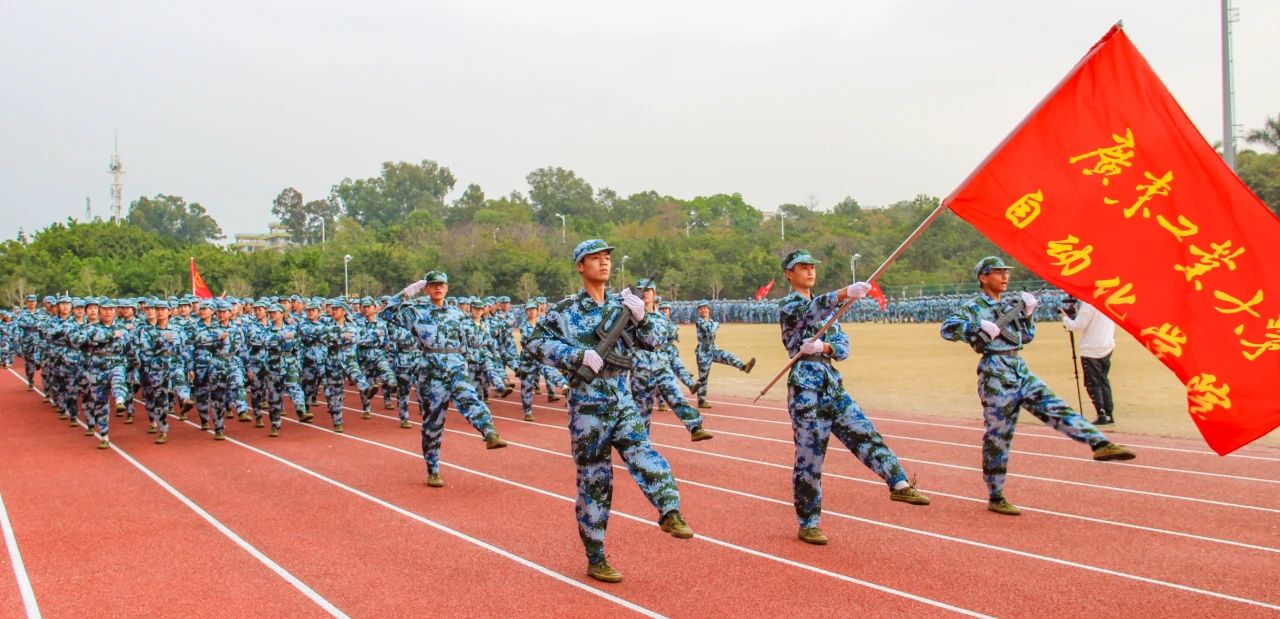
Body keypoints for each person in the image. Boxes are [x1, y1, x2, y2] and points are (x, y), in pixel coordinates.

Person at [525, 239, 693, 584]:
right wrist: (575, 355)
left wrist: (642, 317)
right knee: (595, 480)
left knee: (644, 452)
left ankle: (669, 510)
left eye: (606, 258)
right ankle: (596, 556)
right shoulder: (566, 310)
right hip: (587, 404)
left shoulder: (623, 305)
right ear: (580, 266)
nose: (604, 263)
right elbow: (534, 342)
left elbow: (656, 339)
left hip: (621, 396)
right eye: (595, 258)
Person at [941, 256, 1136, 516]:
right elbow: (947, 329)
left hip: (1018, 366)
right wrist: (976, 326)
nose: (1005, 277)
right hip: (995, 373)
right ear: (983, 278)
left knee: (1054, 406)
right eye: (998, 272)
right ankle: (996, 495)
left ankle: (1099, 443)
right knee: (998, 437)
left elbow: (1026, 337)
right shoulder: (973, 307)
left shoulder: (1011, 304)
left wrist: (1028, 315)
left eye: (1006, 272)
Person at [777, 250, 930, 545]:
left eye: (812, 267)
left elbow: (843, 346)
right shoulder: (790, 304)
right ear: (789, 273)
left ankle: (897, 481)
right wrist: (844, 293)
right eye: (803, 267)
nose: (810, 271)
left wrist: (825, 348)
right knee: (810, 457)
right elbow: (809, 312)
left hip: (831, 382)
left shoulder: (830, 312)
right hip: (806, 386)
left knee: (864, 431)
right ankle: (809, 523)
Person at [380, 271, 507, 489]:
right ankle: (433, 469)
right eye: (433, 285)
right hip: (432, 372)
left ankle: (489, 433)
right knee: (433, 424)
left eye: (442, 285)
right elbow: (387, 313)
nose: (438, 288)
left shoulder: (458, 314)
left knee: (470, 398)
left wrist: (472, 361)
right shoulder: (417, 312)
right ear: (427, 289)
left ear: (447, 288)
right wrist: (408, 292)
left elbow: (470, 340)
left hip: (456, 366)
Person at [1060, 297, 1117, 426]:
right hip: (1107, 345)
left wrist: (1064, 317)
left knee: (1093, 384)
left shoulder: (1089, 304)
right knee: (1103, 380)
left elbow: (1076, 326)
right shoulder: (1108, 300)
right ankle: (1109, 414)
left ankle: (1101, 414)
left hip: (1092, 348)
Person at [692, 300, 755, 408]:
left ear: (709, 309)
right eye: (701, 309)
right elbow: (710, 330)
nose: (703, 310)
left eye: (705, 308)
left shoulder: (711, 321)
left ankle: (744, 367)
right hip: (703, 352)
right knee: (703, 378)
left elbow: (712, 328)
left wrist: (715, 324)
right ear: (698, 311)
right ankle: (701, 401)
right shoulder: (700, 321)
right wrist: (716, 324)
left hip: (713, 349)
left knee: (727, 356)